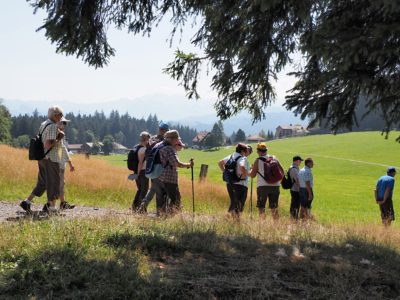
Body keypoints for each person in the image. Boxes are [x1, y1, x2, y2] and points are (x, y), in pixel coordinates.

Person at [20, 106, 66, 214]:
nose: (62, 117)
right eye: (60, 115)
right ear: (55, 115)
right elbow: (48, 144)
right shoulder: (53, 126)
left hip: (42, 158)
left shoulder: (44, 123)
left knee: (42, 182)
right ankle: (52, 208)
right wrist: (59, 138)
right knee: (54, 182)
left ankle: (27, 202)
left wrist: (59, 133)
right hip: (51, 159)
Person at [153, 130, 194, 215]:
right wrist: (189, 165)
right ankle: (173, 218)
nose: (177, 141)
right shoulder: (169, 148)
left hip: (157, 176)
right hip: (169, 178)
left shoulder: (158, 145)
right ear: (172, 139)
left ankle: (160, 217)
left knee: (161, 199)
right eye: (177, 139)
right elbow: (177, 163)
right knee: (175, 199)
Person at [138, 122, 169, 213]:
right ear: (165, 130)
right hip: (161, 168)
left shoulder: (152, 139)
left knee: (153, 189)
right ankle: (160, 211)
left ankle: (142, 207)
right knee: (161, 191)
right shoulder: (164, 141)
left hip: (151, 168)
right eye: (166, 130)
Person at [249, 143, 283, 220]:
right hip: (275, 186)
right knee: (274, 208)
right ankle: (277, 225)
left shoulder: (257, 161)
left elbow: (252, 175)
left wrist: (249, 170)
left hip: (262, 187)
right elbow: (282, 171)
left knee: (261, 207)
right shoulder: (274, 158)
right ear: (266, 150)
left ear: (258, 151)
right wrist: (278, 182)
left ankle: (262, 225)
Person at [218, 143, 250, 219]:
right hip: (240, 184)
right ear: (242, 151)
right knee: (239, 204)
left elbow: (220, 163)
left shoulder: (231, 156)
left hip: (229, 183)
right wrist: (245, 176)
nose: (246, 153)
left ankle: (229, 219)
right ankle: (234, 221)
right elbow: (242, 166)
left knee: (233, 202)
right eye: (245, 151)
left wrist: (224, 172)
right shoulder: (243, 158)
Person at [57, 118, 76, 208]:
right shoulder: (60, 135)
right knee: (59, 184)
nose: (65, 125)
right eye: (64, 123)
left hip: (59, 164)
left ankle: (61, 203)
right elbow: (64, 151)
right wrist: (71, 164)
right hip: (59, 164)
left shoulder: (59, 134)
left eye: (65, 123)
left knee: (60, 184)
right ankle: (57, 204)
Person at [131, 131, 151, 211]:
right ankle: (140, 209)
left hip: (137, 171)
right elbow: (140, 162)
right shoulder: (143, 149)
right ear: (146, 139)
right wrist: (138, 174)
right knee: (144, 190)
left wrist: (136, 173)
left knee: (139, 190)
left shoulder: (136, 147)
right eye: (148, 139)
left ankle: (135, 206)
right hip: (142, 172)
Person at [289, 156, 303, 220]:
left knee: (296, 205)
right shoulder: (294, 169)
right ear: (296, 161)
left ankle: (294, 218)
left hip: (295, 189)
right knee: (295, 205)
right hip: (295, 190)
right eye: (299, 161)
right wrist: (301, 190)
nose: (300, 162)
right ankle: (294, 219)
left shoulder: (295, 168)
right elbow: (297, 180)